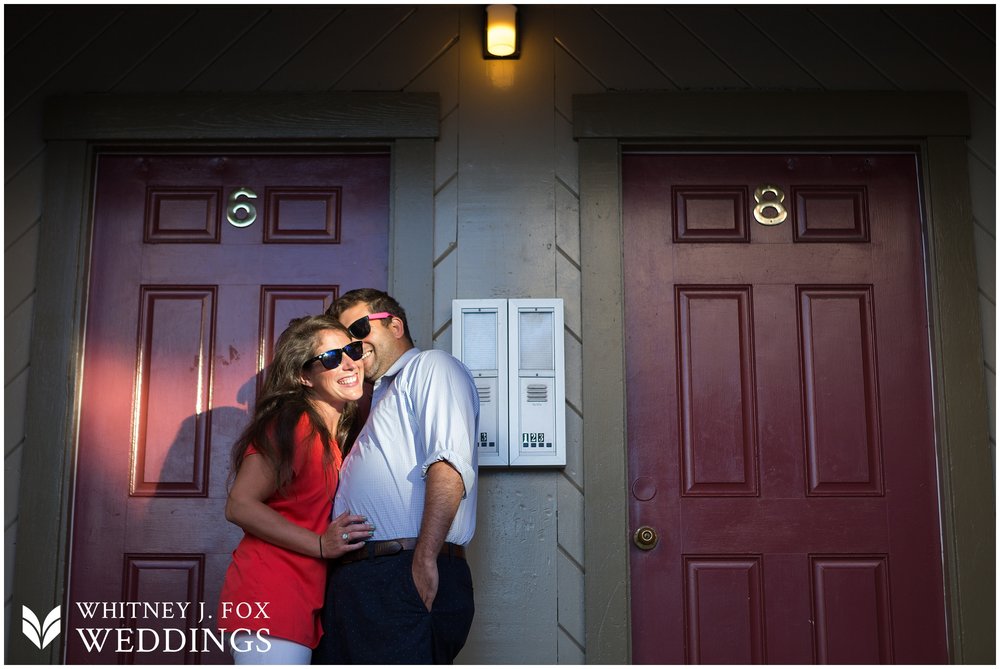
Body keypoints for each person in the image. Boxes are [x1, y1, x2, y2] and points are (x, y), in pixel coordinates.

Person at [313, 288, 479, 664]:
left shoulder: (431, 367)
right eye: (344, 342)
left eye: (359, 330)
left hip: (402, 570)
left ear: (395, 324)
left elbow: (448, 465)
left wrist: (424, 559)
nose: (353, 346)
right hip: (365, 582)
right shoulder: (380, 398)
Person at [217, 315, 374, 664]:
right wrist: (320, 543)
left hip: (301, 598)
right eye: (331, 358)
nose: (349, 363)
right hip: (271, 597)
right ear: (305, 376)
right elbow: (240, 505)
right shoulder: (294, 424)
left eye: (352, 350)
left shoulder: (328, 437)